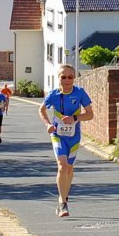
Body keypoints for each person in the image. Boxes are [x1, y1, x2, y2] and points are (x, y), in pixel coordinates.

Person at [38, 64, 94, 217]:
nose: (67, 80)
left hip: (74, 137)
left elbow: (90, 114)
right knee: (62, 166)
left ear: (74, 78)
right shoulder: (53, 95)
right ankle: (63, 203)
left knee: (69, 168)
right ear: (59, 78)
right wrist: (48, 124)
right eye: (63, 77)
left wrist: (75, 118)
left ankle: (65, 193)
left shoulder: (80, 93)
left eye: (70, 77)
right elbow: (41, 109)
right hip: (57, 135)